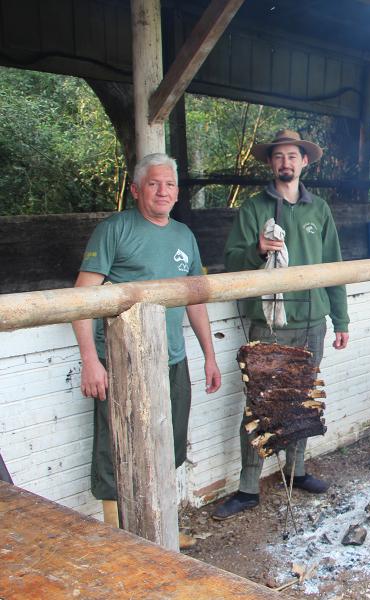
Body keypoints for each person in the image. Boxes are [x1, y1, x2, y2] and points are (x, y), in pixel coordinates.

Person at [72, 153, 222, 547]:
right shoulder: (115, 229)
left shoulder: (184, 236)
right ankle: (118, 538)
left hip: (171, 358)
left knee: (169, 441)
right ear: (137, 189)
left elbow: (196, 301)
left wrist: (208, 355)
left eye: (169, 185)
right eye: (154, 183)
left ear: (176, 192)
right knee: (114, 446)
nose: (163, 191)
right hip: (120, 361)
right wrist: (90, 360)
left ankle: (163, 530)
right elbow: (80, 298)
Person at [214, 129, 349, 520]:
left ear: (304, 162)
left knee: (303, 398)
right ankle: (247, 487)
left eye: (293, 156)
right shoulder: (254, 208)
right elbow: (233, 262)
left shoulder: (319, 209)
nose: (286, 163)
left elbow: (333, 267)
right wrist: (257, 250)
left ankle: (297, 470)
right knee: (261, 405)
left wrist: (339, 317)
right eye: (279, 157)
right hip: (270, 322)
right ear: (271, 163)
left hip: (312, 320)